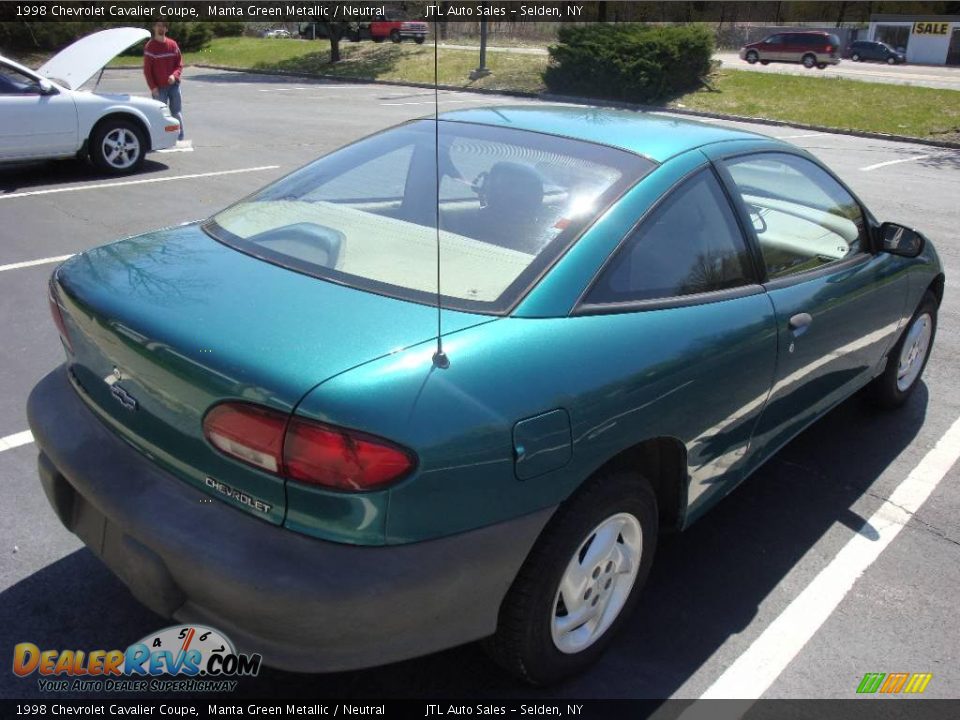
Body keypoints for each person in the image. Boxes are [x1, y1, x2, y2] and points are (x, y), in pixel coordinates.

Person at [143, 21, 184, 140]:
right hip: (159, 89)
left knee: (176, 112)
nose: (160, 28)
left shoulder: (173, 45)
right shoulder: (150, 46)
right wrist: (153, 87)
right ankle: (159, 138)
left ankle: (179, 137)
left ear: (166, 29)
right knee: (159, 114)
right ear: (154, 28)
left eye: (163, 26)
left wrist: (174, 76)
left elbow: (179, 64)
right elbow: (147, 71)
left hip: (174, 86)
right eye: (158, 26)